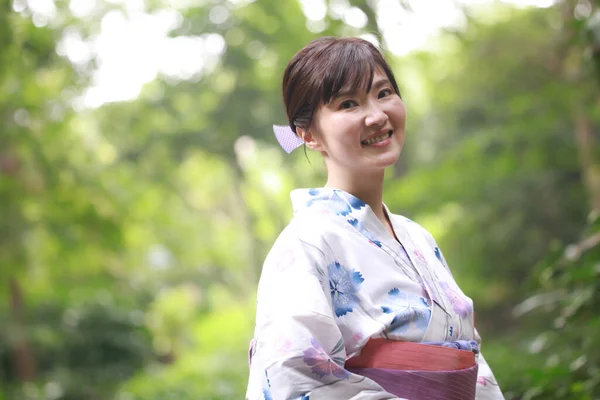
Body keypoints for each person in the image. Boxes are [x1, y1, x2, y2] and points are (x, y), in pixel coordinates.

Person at [246, 36, 504, 400]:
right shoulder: (305, 245)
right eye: (348, 103)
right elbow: (295, 380)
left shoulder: (418, 238)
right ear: (309, 135)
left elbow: (470, 364)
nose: (377, 115)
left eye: (383, 93)